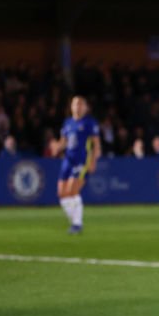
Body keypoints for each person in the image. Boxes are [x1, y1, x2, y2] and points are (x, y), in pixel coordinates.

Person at [55, 96, 100, 234]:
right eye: (75, 104)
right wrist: (56, 147)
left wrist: (93, 161)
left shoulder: (89, 123)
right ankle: (75, 221)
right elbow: (63, 142)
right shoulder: (68, 123)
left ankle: (77, 224)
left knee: (73, 191)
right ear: (71, 107)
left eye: (81, 104)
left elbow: (96, 144)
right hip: (68, 160)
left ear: (86, 108)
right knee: (62, 193)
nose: (78, 106)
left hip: (82, 160)